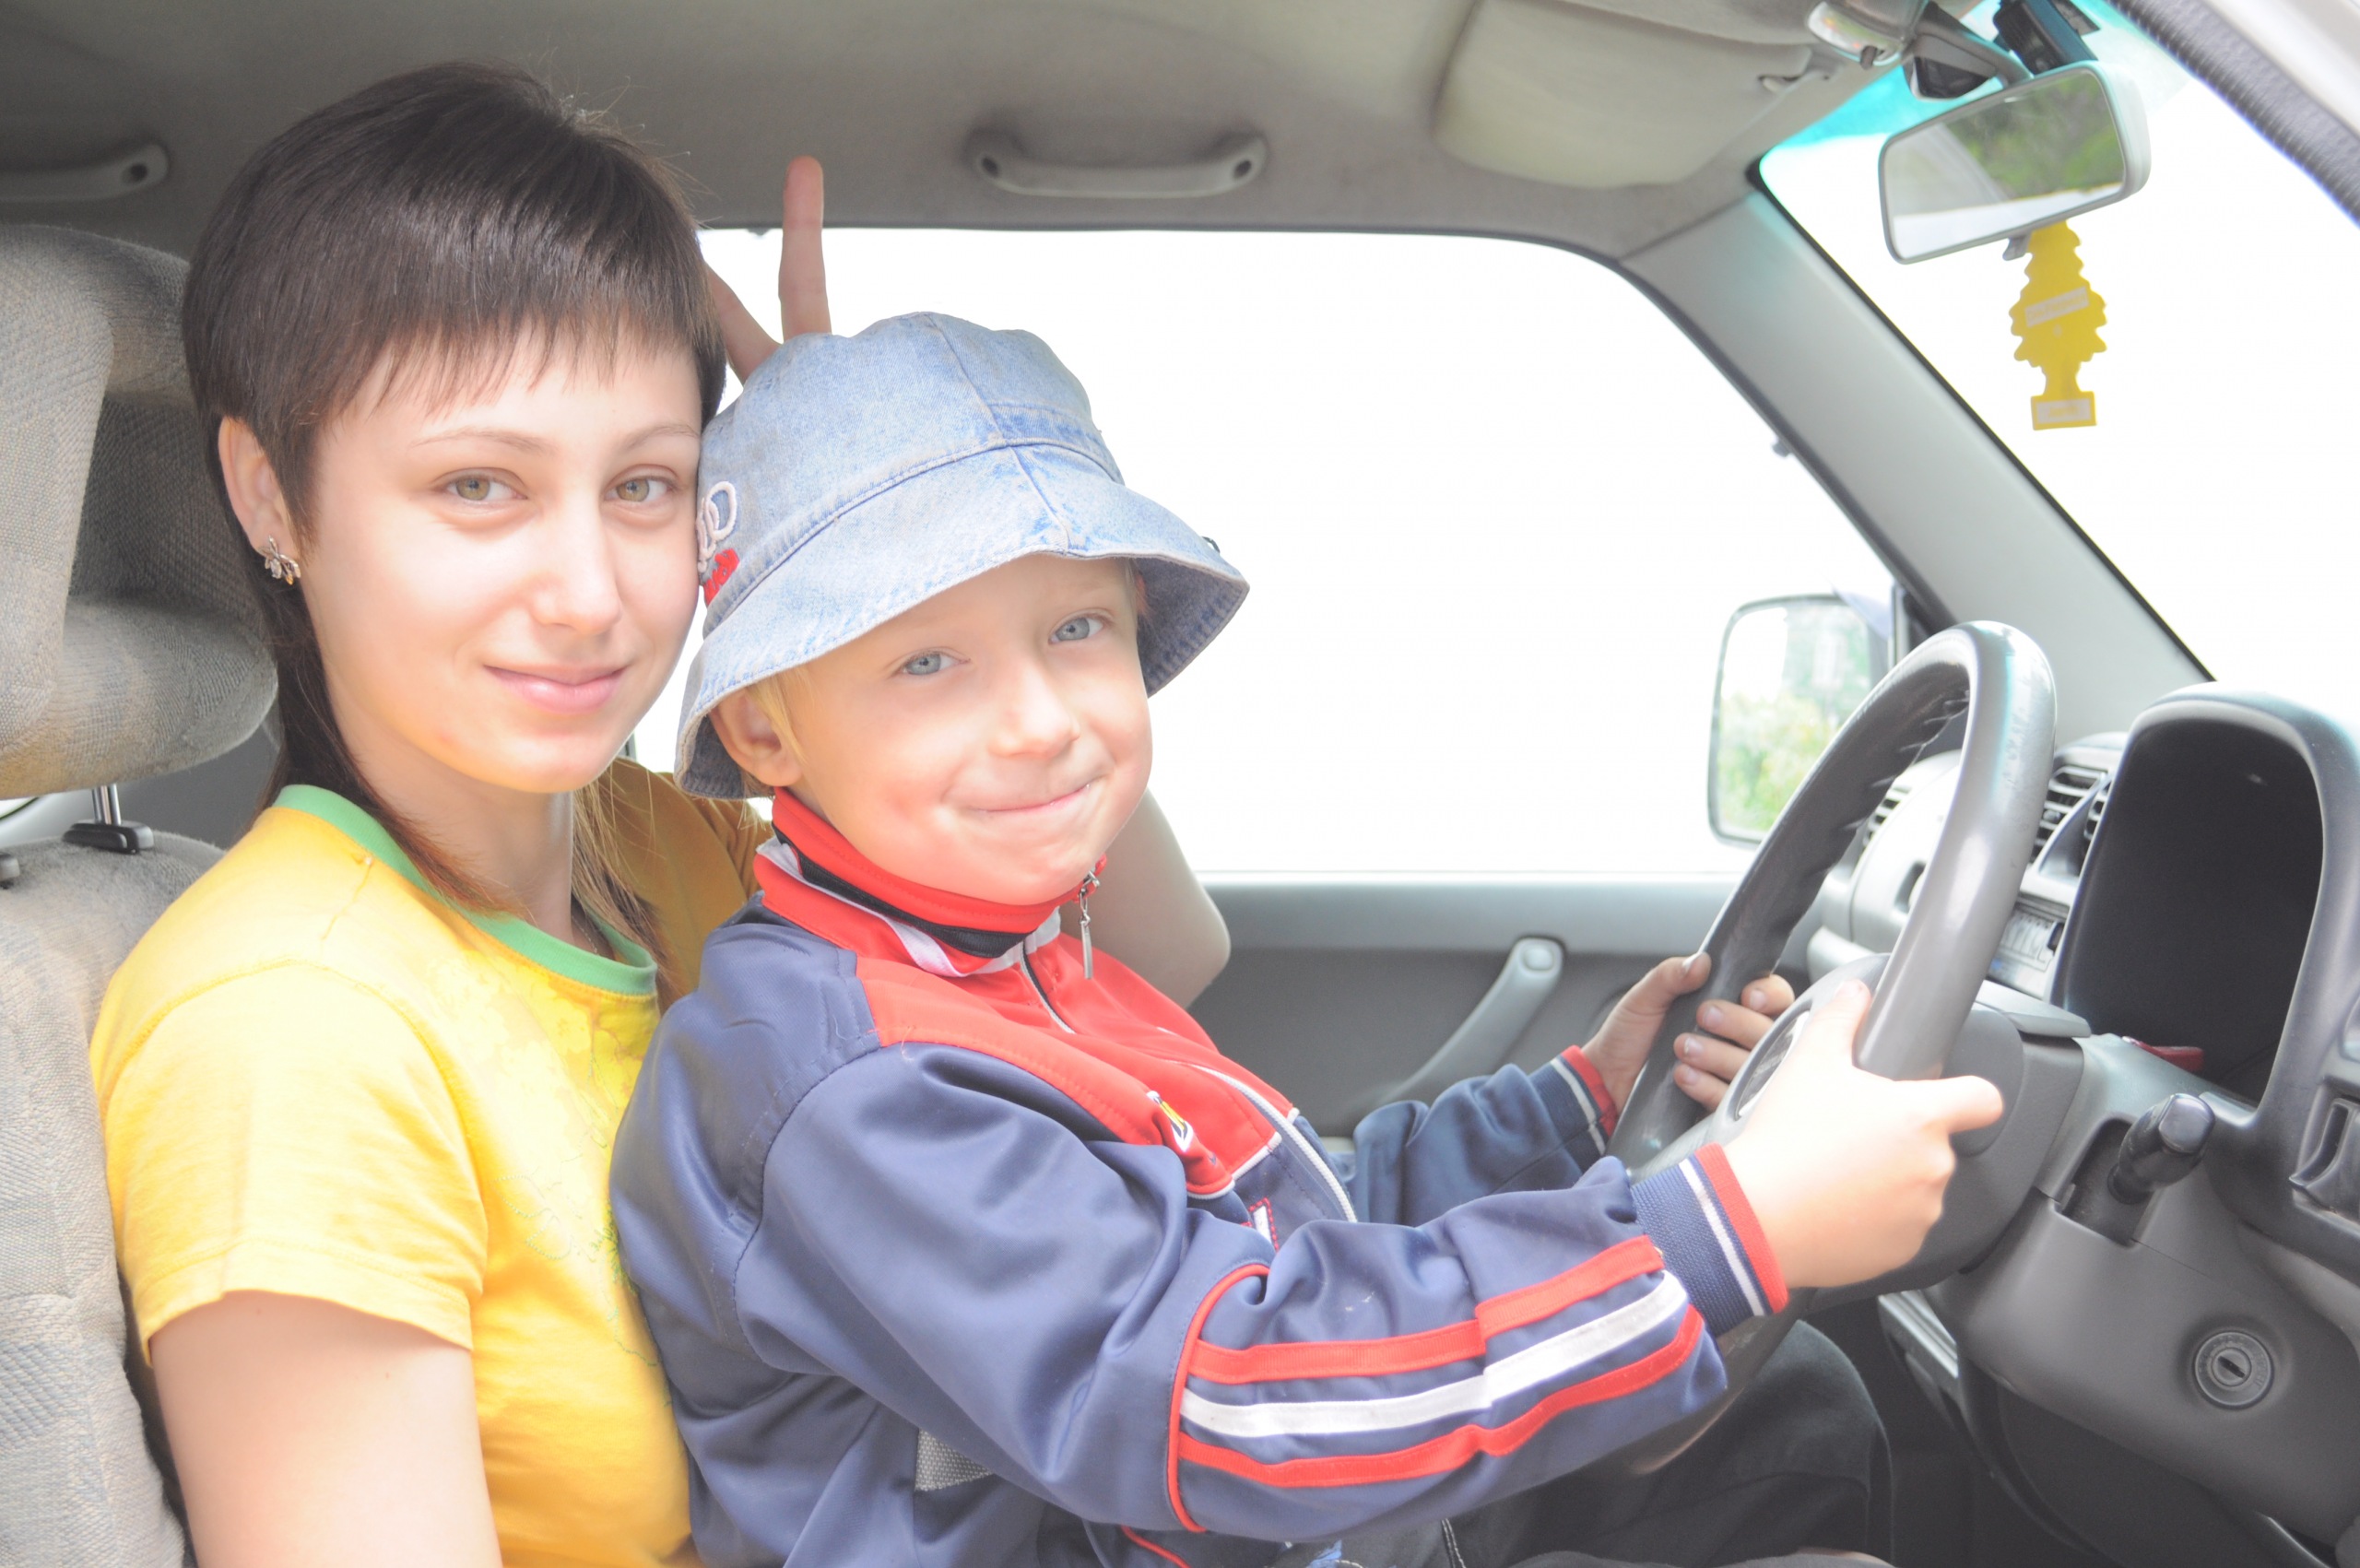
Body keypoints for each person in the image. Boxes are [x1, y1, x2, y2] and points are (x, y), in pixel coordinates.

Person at [88, 65, 1269, 1568]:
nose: (590, 593)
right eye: (478, 486)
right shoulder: (287, 1025)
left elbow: (1146, 976)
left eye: (647, 485)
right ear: (270, 495)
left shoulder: (656, 846)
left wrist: (910, 538)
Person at [608, 314, 2005, 1568]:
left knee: (1788, 1413)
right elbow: (1226, 1389)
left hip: (1270, 1512)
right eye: (928, 661)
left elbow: (1280, 1217)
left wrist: (1579, 1107)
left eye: (1077, 627)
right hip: (1224, 1480)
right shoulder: (854, 1084)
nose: (1040, 720)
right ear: (764, 727)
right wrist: (1734, 1227)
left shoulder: (1004, 955)